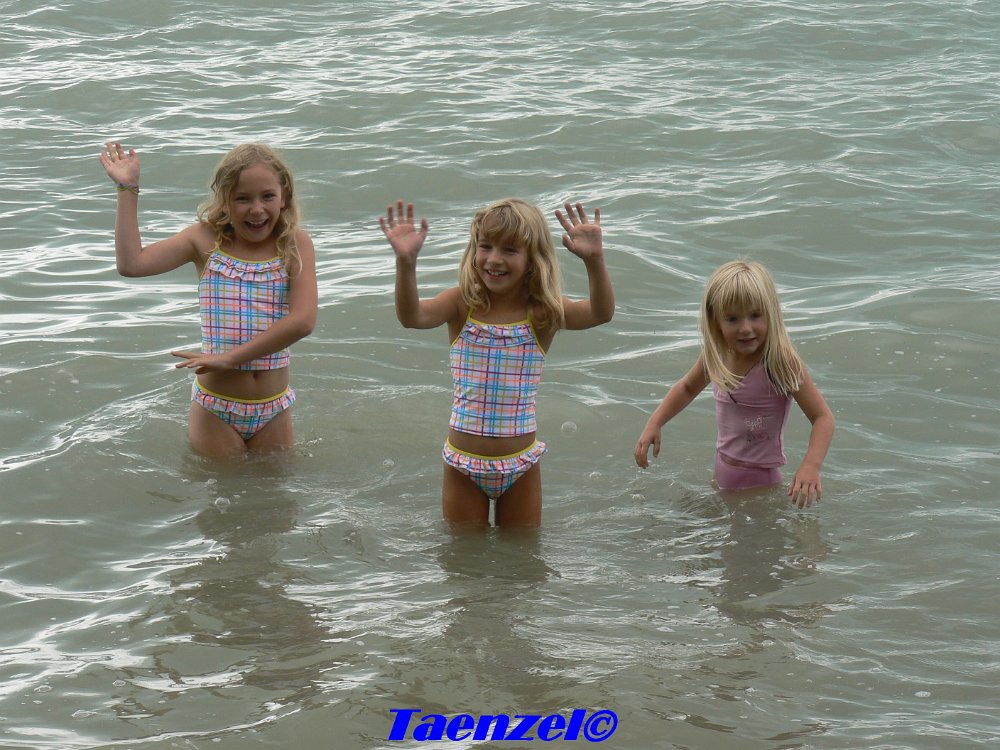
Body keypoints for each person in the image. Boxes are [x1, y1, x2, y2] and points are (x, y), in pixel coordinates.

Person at [380, 198, 615, 527]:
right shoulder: (461, 304)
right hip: (463, 464)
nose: (494, 259)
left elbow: (600, 313)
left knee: (521, 554)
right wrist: (406, 264)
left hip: (521, 463)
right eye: (485, 246)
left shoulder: (542, 312)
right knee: (464, 553)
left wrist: (595, 261)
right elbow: (412, 317)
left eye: (509, 250)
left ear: (532, 259)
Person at [99, 142, 317, 456]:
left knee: (278, 488)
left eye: (267, 196)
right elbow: (132, 264)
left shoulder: (295, 244)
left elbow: (303, 321)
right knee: (220, 489)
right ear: (224, 201)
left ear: (284, 195)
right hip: (216, 409)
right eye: (242, 198)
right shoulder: (204, 240)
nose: (257, 209)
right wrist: (127, 189)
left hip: (274, 406)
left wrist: (231, 358)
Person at [634, 260, 833, 508]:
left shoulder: (779, 362)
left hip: (760, 485)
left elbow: (823, 417)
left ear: (771, 312)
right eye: (732, 319)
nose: (745, 328)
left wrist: (810, 466)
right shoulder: (717, 355)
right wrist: (655, 422)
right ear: (715, 320)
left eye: (755, 315)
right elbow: (687, 388)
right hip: (722, 473)